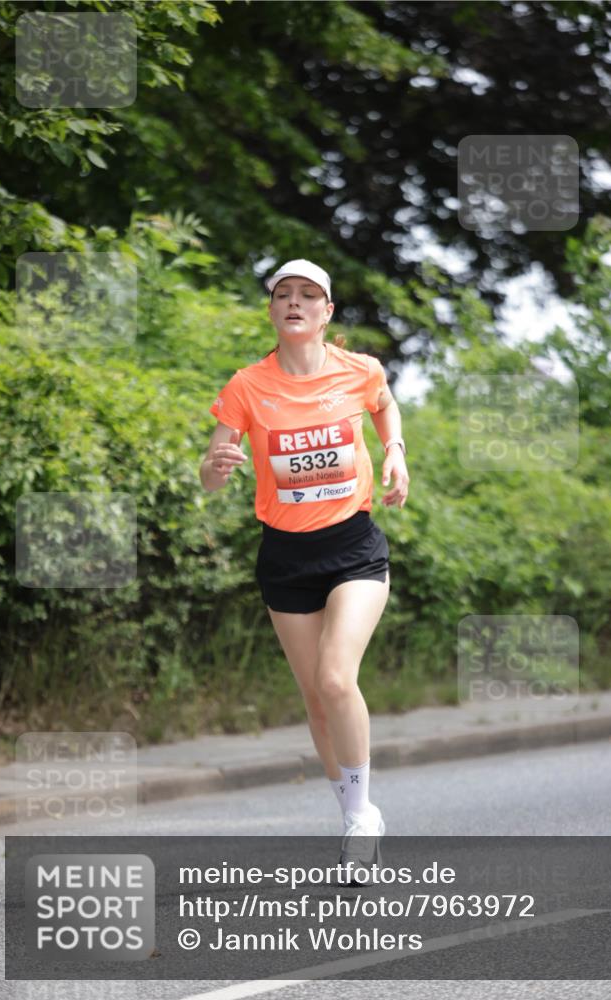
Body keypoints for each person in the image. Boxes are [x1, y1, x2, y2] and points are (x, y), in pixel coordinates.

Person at [200, 259, 409, 875]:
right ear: (272, 310)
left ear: (326, 313)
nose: (295, 303)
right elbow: (211, 468)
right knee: (316, 699)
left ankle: (365, 815)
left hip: (354, 548)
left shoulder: (359, 371)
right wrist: (214, 470)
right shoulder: (247, 386)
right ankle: (352, 814)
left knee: (337, 679)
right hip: (286, 558)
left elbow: (385, 404)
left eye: (308, 295)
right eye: (283, 295)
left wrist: (394, 450)